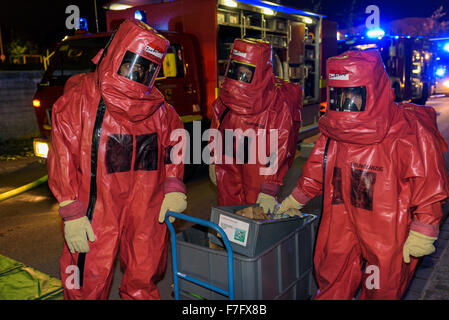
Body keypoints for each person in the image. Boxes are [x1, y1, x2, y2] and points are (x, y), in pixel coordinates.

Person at [278, 49, 449, 300]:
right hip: (340, 214)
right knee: (332, 274)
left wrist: (425, 225)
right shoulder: (334, 129)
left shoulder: (407, 130)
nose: (345, 103)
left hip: (386, 223)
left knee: (381, 286)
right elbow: (318, 166)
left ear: (373, 91)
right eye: (339, 96)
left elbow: (428, 183)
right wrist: (298, 197)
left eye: (353, 95)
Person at [47, 19, 187, 300]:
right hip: (95, 210)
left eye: (145, 69)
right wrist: (70, 209)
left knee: (144, 274)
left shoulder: (159, 109)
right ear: (114, 55)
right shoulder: (79, 101)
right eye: (131, 64)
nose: (136, 75)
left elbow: (175, 140)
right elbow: (61, 155)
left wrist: (173, 184)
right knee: (87, 280)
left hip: (146, 208)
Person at [208, 38, 302, 213]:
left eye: (247, 73)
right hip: (229, 155)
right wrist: (213, 159)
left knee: (255, 211)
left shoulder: (276, 103)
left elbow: (278, 147)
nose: (240, 78)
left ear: (260, 72)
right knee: (229, 207)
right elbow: (217, 124)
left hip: (258, 160)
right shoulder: (226, 95)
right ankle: (230, 239)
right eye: (237, 71)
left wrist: (269, 186)